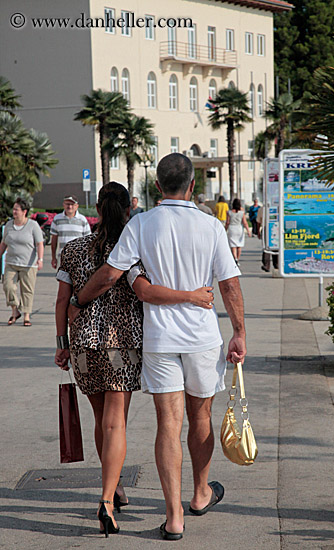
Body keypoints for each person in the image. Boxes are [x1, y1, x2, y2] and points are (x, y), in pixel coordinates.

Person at [69, 153, 247, 541]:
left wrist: (79, 301)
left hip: (160, 339)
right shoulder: (211, 225)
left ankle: (174, 517)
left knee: (169, 423)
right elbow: (229, 285)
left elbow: (110, 274)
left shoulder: (141, 224)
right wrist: (239, 333)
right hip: (202, 337)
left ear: (156, 187)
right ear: (192, 186)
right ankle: (200, 494)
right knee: (200, 418)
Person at [55, 181, 213, 538]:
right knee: (116, 423)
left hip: (82, 343)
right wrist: (192, 296)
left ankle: (116, 488)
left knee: (101, 421)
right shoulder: (131, 246)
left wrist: (61, 342)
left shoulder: (74, 248)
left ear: (97, 208)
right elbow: (142, 290)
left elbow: (61, 301)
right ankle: (107, 499)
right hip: (120, 343)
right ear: (128, 208)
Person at [0, 198, 44, 327]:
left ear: (24, 211)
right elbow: (4, 243)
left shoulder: (32, 225)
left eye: (16, 210)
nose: (14, 212)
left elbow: (39, 243)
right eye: (13, 209)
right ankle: (15, 310)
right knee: (8, 286)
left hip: (28, 264)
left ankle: (26, 315)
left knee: (27, 290)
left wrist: (40, 259)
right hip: (11, 262)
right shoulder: (8, 225)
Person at [51, 195, 91, 269]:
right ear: (63, 205)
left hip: (79, 258)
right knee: (63, 280)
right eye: (67, 204)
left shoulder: (82, 220)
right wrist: (53, 258)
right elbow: (54, 239)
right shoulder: (57, 219)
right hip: (63, 257)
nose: (69, 207)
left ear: (77, 206)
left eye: (72, 204)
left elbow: (88, 240)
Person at [225, 198, 251, 266]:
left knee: (233, 245)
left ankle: (235, 258)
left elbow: (227, 222)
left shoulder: (229, 212)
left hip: (232, 228)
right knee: (239, 245)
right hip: (239, 228)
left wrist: (225, 229)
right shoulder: (242, 213)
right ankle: (238, 259)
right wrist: (248, 231)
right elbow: (245, 222)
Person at [257, 206, 279, 273]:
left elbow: (258, 221)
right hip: (276, 227)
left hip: (266, 228)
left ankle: (266, 265)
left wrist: (258, 231)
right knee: (275, 245)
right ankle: (276, 264)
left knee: (266, 246)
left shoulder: (262, 209)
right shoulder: (277, 207)